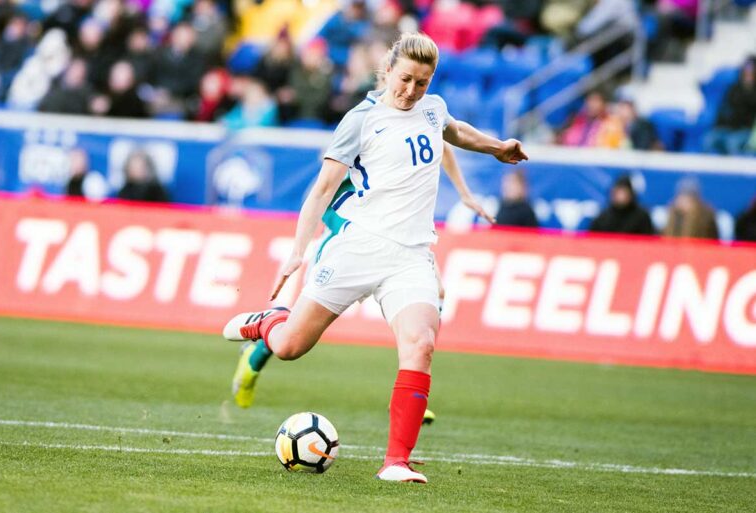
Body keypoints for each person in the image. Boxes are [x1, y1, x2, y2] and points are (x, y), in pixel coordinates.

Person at [221, 32, 527, 484]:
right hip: (355, 248)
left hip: (410, 256)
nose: (411, 91)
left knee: (421, 343)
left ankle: (396, 461)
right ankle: (267, 323)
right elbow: (322, 188)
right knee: (289, 347)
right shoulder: (361, 121)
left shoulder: (432, 108)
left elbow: (453, 132)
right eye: (405, 80)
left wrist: (497, 146)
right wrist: (295, 253)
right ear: (388, 71)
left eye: (422, 83)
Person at [589, 175, 655, 235]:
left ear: (631, 194)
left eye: (623, 192)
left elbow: (649, 240)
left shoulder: (642, 217)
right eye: (616, 192)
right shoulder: (603, 217)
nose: (619, 196)